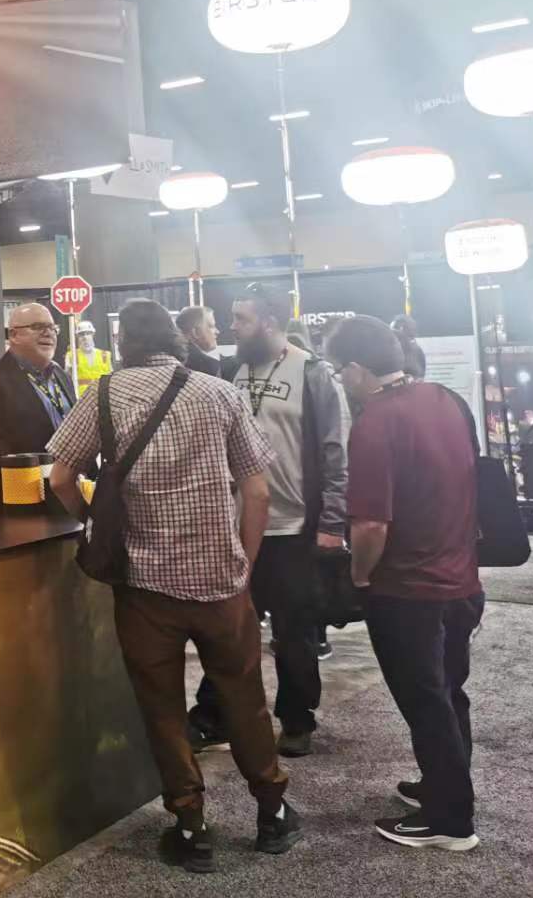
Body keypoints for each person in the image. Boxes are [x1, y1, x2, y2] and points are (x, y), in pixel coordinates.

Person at [47, 300, 297, 872]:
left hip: (144, 586)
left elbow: (60, 477)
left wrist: (94, 522)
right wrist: (244, 563)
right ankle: (271, 811)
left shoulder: (103, 395)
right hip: (220, 582)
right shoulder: (220, 393)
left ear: (123, 343)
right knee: (244, 697)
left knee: (161, 706)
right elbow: (258, 491)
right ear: (177, 340)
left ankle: (191, 825)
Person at [326, 316, 484, 852]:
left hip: (407, 588)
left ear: (355, 369)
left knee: (424, 700)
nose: (339, 380)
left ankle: (450, 819)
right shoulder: (445, 399)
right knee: (449, 691)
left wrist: (359, 575)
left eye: (338, 370)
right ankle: (448, 783)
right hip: (462, 577)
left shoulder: (375, 421)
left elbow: (371, 524)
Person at [189, 284, 348, 758]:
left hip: (293, 527)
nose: (231, 327)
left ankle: (297, 719)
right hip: (235, 526)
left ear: (270, 322)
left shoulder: (313, 374)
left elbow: (336, 454)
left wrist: (332, 523)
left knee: (294, 633)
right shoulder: (229, 371)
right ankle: (214, 716)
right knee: (227, 629)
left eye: (241, 319)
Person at [0, 303, 77, 515]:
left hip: (70, 497)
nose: (48, 333)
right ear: (14, 335)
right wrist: (46, 483)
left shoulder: (62, 376)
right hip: (21, 506)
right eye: (38, 326)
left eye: (52, 328)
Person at [176, 305, 223, 377]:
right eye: (211, 326)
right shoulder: (211, 367)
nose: (217, 332)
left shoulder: (170, 359)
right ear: (196, 332)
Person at [72, 319, 112, 392]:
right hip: (81, 396)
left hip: (101, 394)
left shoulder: (105, 355)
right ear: (77, 336)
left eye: (88, 333)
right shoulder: (72, 356)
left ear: (92, 334)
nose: (85, 337)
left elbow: (110, 378)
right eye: (81, 334)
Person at [391, 314, 428, 380]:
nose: (390, 332)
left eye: (393, 329)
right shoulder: (417, 350)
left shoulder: (414, 351)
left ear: (401, 329)